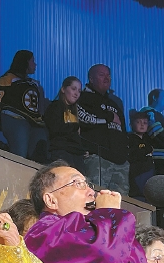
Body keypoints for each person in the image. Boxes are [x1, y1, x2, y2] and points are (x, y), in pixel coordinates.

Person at [77, 64, 130, 195]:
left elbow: (123, 131)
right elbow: (84, 121)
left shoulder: (115, 103)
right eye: (101, 75)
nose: (106, 78)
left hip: (120, 162)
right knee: (96, 199)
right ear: (91, 79)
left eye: (108, 75)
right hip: (97, 158)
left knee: (120, 203)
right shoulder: (82, 98)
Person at [0, 51, 48, 162]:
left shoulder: (35, 84)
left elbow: (40, 108)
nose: (35, 64)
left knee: (38, 153)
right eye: (32, 61)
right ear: (25, 62)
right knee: (19, 155)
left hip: (34, 123)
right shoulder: (6, 80)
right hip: (15, 118)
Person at [43, 76, 86, 171]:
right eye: (73, 89)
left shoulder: (76, 112)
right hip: (61, 151)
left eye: (79, 91)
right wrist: (74, 126)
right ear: (63, 89)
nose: (76, 93)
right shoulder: (55, 106)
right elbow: (55, 128)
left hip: (76, 154)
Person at [127, 111, 154, 201]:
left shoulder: (149, 139)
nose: (142, 125)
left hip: (149, 171)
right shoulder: (130, 139)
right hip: (137, 173)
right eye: (138, 122)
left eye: (145, 122)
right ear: (131, 124)